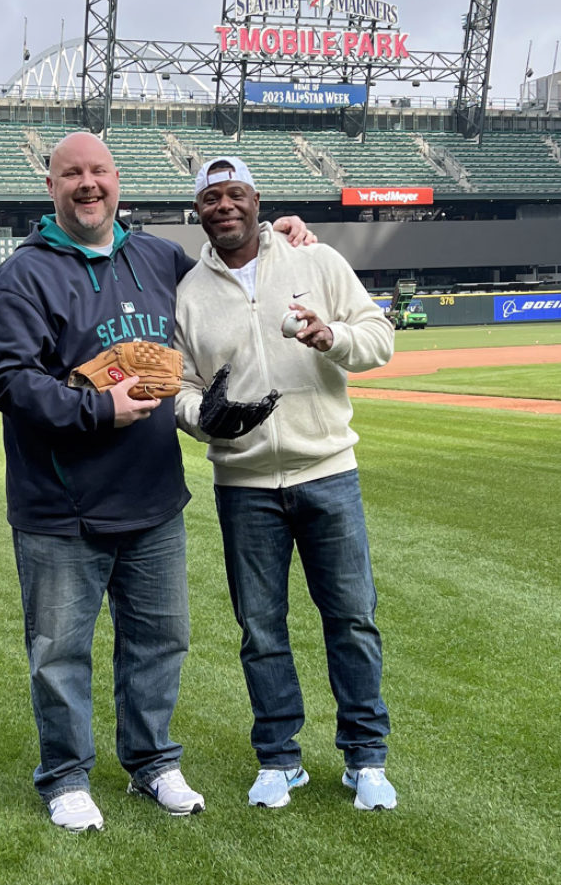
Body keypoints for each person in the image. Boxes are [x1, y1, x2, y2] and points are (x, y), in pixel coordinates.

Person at [0, 132, 314, 833]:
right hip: (59, 503)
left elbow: (231, 266)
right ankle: (66, 775)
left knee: (160, 639)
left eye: (98, 171)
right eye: (72, 173)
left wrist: (278, 237)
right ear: (52, 187)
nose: (87, 184)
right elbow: (7, 381)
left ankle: (152, 761)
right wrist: (98, 408)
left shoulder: (159, 258)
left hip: (154, 496)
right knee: (60, 651)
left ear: (117, 181)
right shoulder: (24, 274)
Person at [174, 156, 398, 812]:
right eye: (211, 197)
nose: (224, 205)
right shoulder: (188, 293)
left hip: (328, 469)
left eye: (234, 192)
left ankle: (366, 758)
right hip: (242, 482)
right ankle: (279, 758)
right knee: (261, 627)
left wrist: (331, 337)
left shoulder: (316, 261)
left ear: (256, 199)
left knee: (352, 618)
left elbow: (379, 335)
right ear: (199, 212)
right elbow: (182, 389)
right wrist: (199, 416)